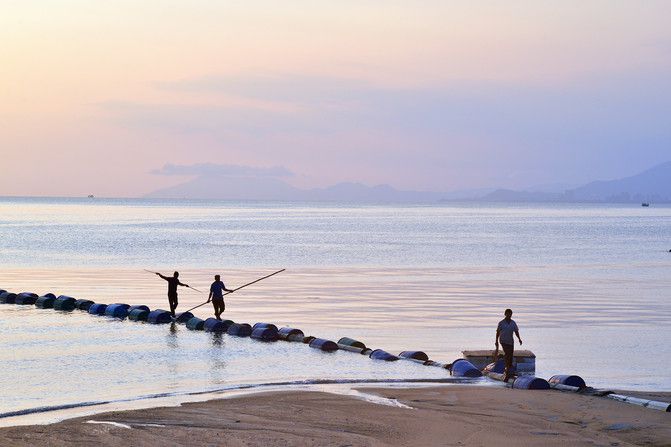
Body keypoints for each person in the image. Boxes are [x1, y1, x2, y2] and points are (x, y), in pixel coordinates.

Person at [495, 308, 522, 381]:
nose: (509, 315)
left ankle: (509, 368)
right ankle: (507, 369)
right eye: (508, 314)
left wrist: (519, 339)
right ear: (505, 314)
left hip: (510, 341)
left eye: (510, 314)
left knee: (511, 355)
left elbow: (516, 331)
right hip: (503, 341)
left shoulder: (513, 323)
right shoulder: (501, 323)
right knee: (507, 354)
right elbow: (497, 332)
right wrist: (496, 341)